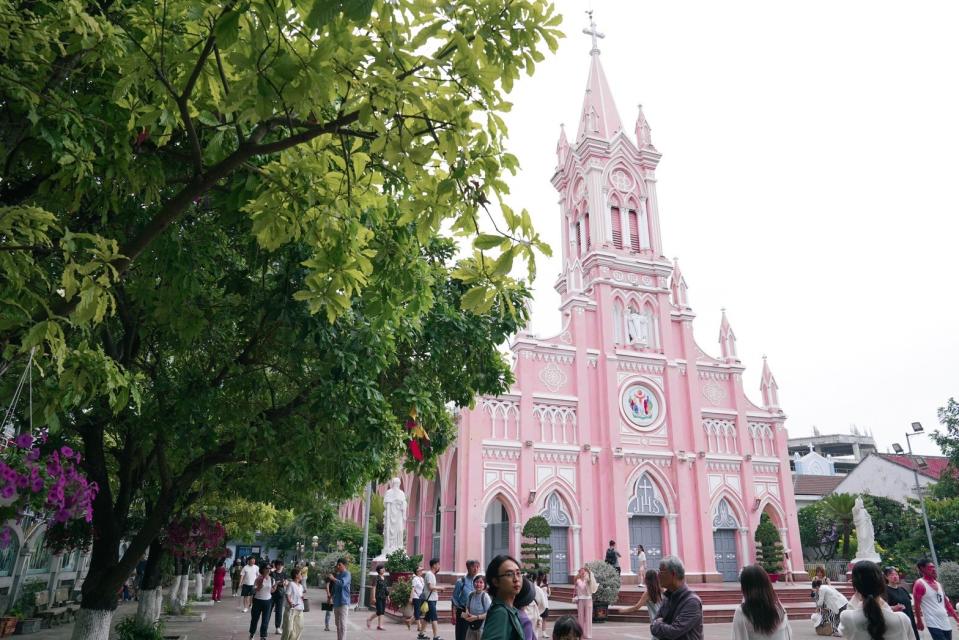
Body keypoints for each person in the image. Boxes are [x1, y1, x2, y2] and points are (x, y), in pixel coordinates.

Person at [841, 561, 911, 640]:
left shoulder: (847, 617)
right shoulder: (902, 619)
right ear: (882, 584)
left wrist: (858, 591)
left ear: (855, 587)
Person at [650, 556, 703, 640]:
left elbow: (673, 632)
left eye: (661, 571)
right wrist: (658, 624)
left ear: (673, 574)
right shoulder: (667, 597)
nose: (658, 575)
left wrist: (658, 624)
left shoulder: (691, 601)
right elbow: (653, 626)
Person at [732, 565, 791, 640]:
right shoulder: (779, 607)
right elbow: (788, 635)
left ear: (745, 587)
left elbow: (738, 637)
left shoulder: (742, 612)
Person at [913, 558, 959, 640]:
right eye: (930, 567)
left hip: (945, 621)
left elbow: (947, 604)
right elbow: (917, 605)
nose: (934, 569)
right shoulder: (920, 584)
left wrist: (957, 618)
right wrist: (919, 621)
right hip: (933, 623)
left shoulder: (938, 584)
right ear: (922, 569)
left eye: (934, 567)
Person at [482, 554, 524, 640]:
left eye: (518, 573)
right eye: (509, 574)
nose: (516, 579)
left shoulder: (510, 609)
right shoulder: (500, 613)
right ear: (496, 582)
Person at [620, 569, 664, 637]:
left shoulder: (647, 594)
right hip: (665, 620)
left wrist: (623, 610)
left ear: (647, 580)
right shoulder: (662, 590)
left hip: (656, 623)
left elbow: (636, 607)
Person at [884, 567, 918, 640]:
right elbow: (883, 609)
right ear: (886, 577)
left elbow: (909, 606)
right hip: (898, 625)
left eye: (896, 574)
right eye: (891, 575)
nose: (895, 576)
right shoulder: (885, 592)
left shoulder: (902, 590)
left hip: (910, 622)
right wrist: (893, 608)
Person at [453, 561, 481, 640]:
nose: (475, 569)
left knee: (474, 634)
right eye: (473, 567)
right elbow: (454, 598)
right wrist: (456, 612)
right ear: (468, 567)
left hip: (475, 612)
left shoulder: (478, 582)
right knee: (462, 634)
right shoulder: (461, 581)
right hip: (463, 611)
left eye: (477, 567)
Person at [249, 563, 276, 640]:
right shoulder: (258, 579)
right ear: (262, 569)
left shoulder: (272, 579)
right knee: (254, 619)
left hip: (267, 602)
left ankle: (263, 636)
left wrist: (275, 586)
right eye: (266, 568)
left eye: (269, 569)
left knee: (265, 619)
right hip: (257, 601)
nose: (268, 570)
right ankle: (252, 633)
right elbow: (253, 591)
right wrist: (259, 587)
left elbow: (272, 591)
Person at [423, 558, 447, 640]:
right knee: (434, 617)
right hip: (430, 600)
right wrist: (440, 588)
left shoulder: (431, 574)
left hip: (431, 599)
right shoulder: (430, 574)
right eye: (438, 564)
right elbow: (430, 587)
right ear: (434, 565)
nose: (439, 566)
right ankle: (436, 636)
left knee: (427, 617)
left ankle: (421, 634)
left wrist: (438, 589)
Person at [329, 558, 352, 640]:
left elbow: (342, 583)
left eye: (340, 565)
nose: (338, 566)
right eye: (337, 565)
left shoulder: (347, 574)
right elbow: (334, 588)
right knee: (337, 624)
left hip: (344, 602)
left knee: (342, 624)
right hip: (336, 602)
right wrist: (330, 597)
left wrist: (333, 579)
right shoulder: (338, 575)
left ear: (344, 565)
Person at [464, 575, 492, 640]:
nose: (478, 584)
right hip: (471, 626)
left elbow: (490, 613)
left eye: (481, 582)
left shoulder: (485, 596)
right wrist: (467, 613)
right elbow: (467, 607)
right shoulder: (470, 595)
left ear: (484, 585)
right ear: (473, 583)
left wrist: (476, 617)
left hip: (482, 628)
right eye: (476, 582)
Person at [281, 567, 306, 640]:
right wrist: (290, 602)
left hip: (299, 609)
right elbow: (287, 594)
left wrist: (302, 598)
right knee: (288, 629)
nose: (301, 575)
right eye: (300, 574)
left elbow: (300, 596)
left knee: (299, 627)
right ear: (296, 575)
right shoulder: (291, 584)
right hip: (291, 609)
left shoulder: (301, 586)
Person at [573, 566, 596, 640]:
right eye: (581, 572)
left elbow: (592, 586)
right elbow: (579, 588)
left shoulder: (588, 580)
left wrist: (588, 574)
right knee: (580, 618)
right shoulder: (578, 580)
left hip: (588, 600)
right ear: (579, 573)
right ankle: (580, 633)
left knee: (588, 617)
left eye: (584, 572)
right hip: (580, 600)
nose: (583, 573)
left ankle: (588, 634)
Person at [366, 565, 388, 631]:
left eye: (384, 568)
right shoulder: (376, 578)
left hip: (383, 596)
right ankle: (369, 619)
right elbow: (374, 588)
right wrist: (373, 597)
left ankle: (379, 626)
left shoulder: (384, 578)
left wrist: (388, 596)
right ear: (379, 570)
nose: (383, 569)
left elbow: (385, 588)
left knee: (382, 612)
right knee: (379, 611)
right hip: (378, 597)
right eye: (382, 569)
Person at [271, 559, 289, 635]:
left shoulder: (284, 573)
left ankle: (277, 628)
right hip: (271, 594)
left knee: (279, 611)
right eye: (278, 565)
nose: (280, 566)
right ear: (275, 565)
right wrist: (278, 582)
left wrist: (285, 582)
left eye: (281, 565)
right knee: (268, 611)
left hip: (280, 594)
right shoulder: (272, 573)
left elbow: (286, 581)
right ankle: (264, 626)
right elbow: (272, 582)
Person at [411, 566, 426, 635]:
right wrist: (411, 597)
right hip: (416, 597)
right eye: (419, 570)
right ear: (417, 572)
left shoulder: (422, 579)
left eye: (421, 570)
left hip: (422, 597)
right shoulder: (415, 579)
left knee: (420, 611)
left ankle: (409, 621)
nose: (421, 571)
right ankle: (419, 626)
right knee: (417, 611)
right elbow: (413, 589)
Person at [536, 573, 551, 639]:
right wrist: (540, 587)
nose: (543, 577)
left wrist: (548, 588)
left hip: (545, 602)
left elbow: (549, 594)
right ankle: (535, 632)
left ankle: (544, 633)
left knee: (544, 618)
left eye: (544, 576)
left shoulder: (546, 582)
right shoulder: (536, 582)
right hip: (538, 603)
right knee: (537, 618)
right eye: (542, 575)